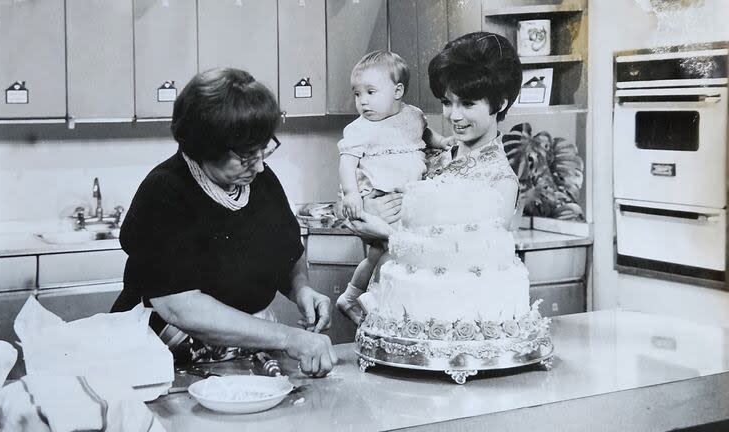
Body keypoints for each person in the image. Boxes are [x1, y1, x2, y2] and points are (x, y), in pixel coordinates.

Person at [111, 68, 337, 377]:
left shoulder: (260, 179)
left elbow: (288, 253)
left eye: (264, 148)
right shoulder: (165, 192)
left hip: (243, 350)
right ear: (206, 146)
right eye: (245, 156)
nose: (258, 165)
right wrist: (289, 337)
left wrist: (302, 290)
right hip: (167, 358)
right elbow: (181, 307)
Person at [345, 31, 523, 293]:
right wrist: (368, 207)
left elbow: (468, 259)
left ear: (500, 103)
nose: (454, 115)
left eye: (468, 104)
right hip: (388, 302)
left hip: (448, 314)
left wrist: (387, 233)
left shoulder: (500, 181)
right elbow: (352, 203)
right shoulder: (433, 155)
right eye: (447, 103)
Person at [334, 50, 451, 323]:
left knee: (384, 254)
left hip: (409, 200)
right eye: (357, 94)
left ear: (398, 91)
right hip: (381, 199)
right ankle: (375, 303)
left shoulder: (413, 115)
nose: (362, 101)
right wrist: (352, 193)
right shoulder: (359, 129)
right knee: (389, 254)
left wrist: (442, 142)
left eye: (370, 92)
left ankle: (354, 297)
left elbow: (425, 134)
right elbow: (347, 163)